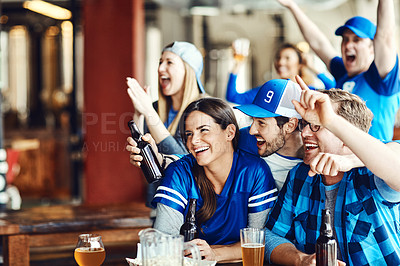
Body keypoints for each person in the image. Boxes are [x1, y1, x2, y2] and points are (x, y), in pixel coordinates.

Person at [264, 75, 400, 265]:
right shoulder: (300, 176)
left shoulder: (373, 174)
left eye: (317, 125)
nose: (304, 133)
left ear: (347, 136)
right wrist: (301, 260)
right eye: (305, 124)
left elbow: (396, 162)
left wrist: (332, 122)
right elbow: (270, 237)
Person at [151, 97, 278, 262]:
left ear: (230, 132)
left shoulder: (254, 172)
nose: (193, 141)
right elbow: (163, 241)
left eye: (204, 130)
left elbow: (259, 242)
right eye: (189, 134)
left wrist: (214, 253)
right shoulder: (180, 172)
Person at [277, 0, 400, 141]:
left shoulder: (380, 79)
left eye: (357, 40)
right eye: (345, 39)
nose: (348, 45)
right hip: (342, 160)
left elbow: (385, 36)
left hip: (371, 161)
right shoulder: (344, 74)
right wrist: (292, 6)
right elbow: (318, 43)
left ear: (372, 48)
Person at [126, 41, 206, 207]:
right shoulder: (155, 108)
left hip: (191, 207)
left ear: (188, 70)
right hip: (158, 203)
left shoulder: (206, 108)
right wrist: (140, 115)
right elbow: (148, 166)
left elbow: (185, 161)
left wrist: (148, 112)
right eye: (160, 62)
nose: (161, 68)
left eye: (169, 62)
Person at [226, 43, 335, 104]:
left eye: (287, 58)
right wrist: (238, 64)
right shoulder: (268, 91)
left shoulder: (307, 92)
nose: (280, 62)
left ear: (300, 63)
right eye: (278, 58)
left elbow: (333, 89)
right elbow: (233, 97)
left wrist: (312, 67)